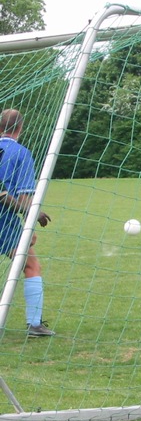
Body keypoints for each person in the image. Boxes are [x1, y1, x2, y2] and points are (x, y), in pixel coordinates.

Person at [0, 109, 54, 337]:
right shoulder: (20, 154)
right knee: (31, 265)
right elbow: (19, 197)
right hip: (4, 220)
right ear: (21, 128)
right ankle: (34, 324)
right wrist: (34, 217)